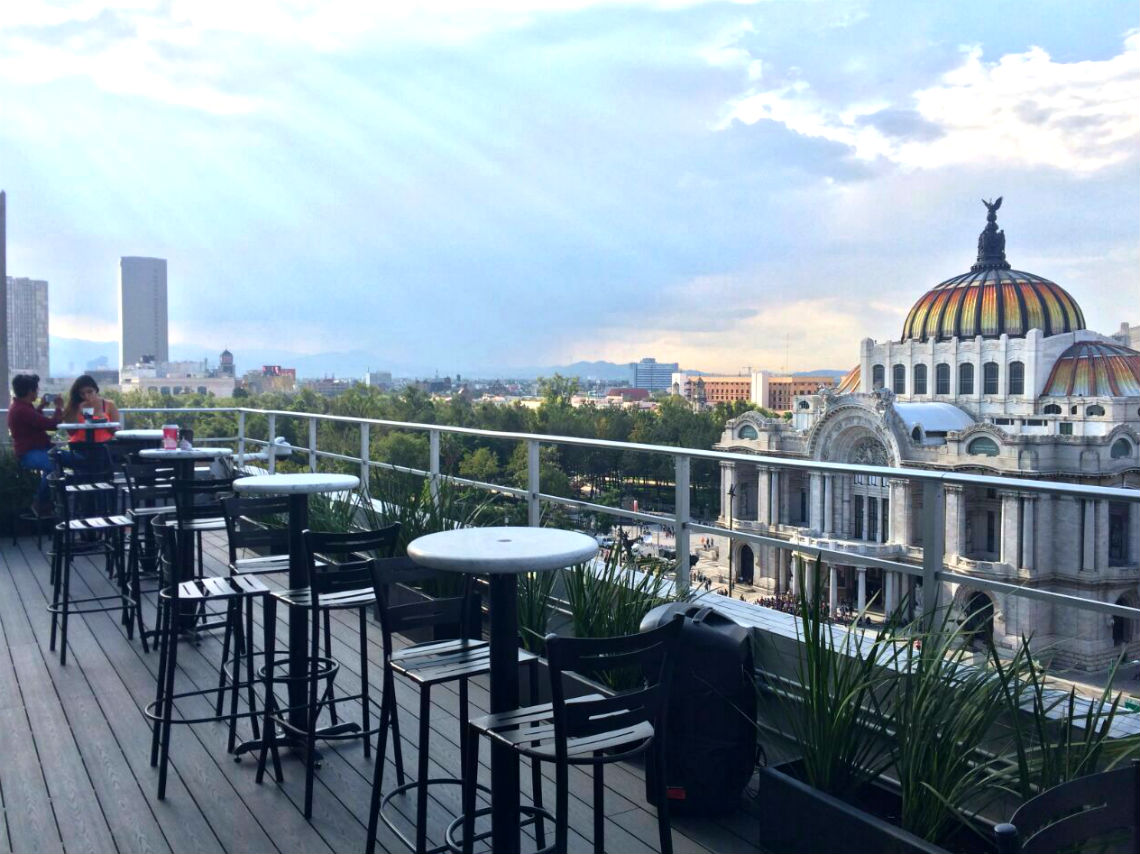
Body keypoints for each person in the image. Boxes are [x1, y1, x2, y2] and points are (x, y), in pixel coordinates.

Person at [6, 373, 65, 515]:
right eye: (36, 390)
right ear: (30, 392)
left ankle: (50, 501)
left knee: (60, 461)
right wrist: (58, 408)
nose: (37, 392)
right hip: (29, 453)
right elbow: (53, 425)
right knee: (53, 465)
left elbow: (34, 420)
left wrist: (42, 405)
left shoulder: (20, 407)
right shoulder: (22, 410)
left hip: (35, 450)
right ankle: (40, 501)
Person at [61, 374, 120, 442]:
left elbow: (116, 431)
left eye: (90, 392)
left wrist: (105, 422)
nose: (86, 396)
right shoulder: (74, 406)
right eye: (82, 393)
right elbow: (71, 432)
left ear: (96, 390)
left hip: (104, 445)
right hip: (80, 445)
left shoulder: (109, 405)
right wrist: (78, 410)